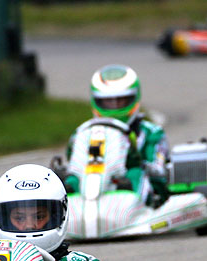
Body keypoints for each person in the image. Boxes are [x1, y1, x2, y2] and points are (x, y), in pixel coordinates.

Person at [62, 64, 170, 207]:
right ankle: (67, 209)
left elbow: (158, 170)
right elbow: (73, 163)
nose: (114, 107)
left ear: (134, 99)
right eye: (108, 102)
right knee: (72, 179)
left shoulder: (151, 133)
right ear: (97, 101)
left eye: (121, 101)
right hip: (92, 185)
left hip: (134, 190)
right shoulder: (82, 134)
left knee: (137, 172)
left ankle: (132, 202)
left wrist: (137, 162)